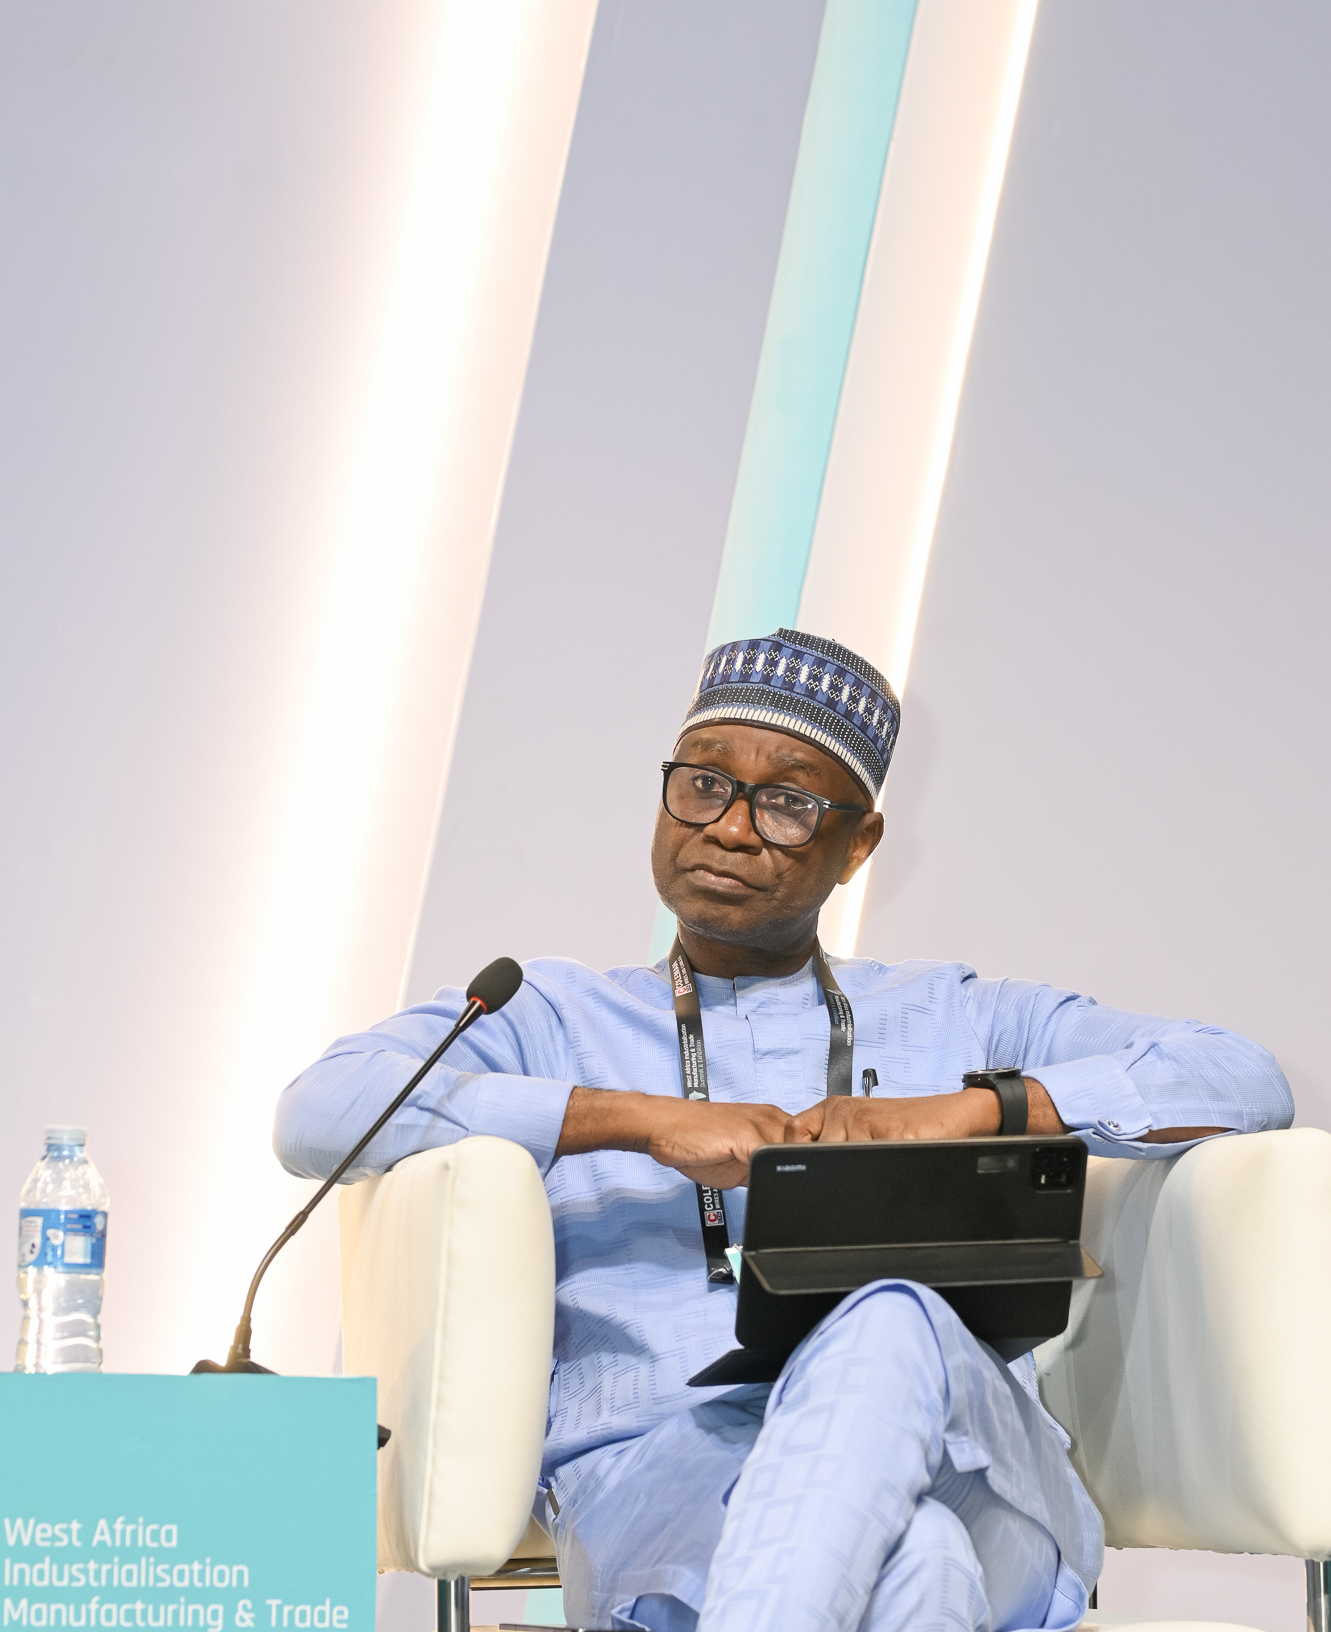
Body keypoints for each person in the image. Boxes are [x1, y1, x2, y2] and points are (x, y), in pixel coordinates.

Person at [275, 628, 1293, 1632]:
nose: (728, 827)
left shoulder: (955, 1013)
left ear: (858, 845)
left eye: (787, 803)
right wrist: (635, 1120)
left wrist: (975, 1107)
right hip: (671, 1482)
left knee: (890, 1317)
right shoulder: (550, 1015)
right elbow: (322, 1106)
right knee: (921, 1562)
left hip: (968, 1461)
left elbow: (1239, 1075)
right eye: (703, 784)